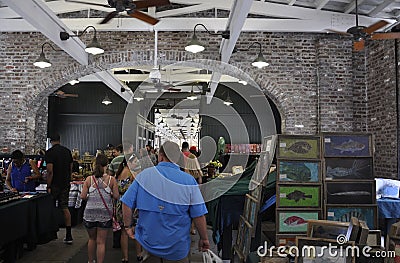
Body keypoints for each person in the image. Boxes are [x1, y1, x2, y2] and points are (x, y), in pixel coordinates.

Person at [121, 141, 210, 262]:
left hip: (149, 246)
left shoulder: (143, 176)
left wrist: (128, 226)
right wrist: (204, 238)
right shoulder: (188, 181)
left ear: (161, 156)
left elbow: (126, 202)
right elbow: (199, 215)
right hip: (177, 249)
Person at [80, 154, 119, 263]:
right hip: (105, 213)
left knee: (92, 239)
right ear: (107, 165)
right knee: (101, 242)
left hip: (89, 213)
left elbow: (82, 196)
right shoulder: (112, 180)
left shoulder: (89, 179)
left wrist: (91, 196)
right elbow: (116, 196)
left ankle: (90, 260)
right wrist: (109, 193)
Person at [45, 133, 74, 244]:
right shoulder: (67, 151)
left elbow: (50, 171)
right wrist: (68, 178)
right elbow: (71, 167)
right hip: (65, 183)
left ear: (51, 141)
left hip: (55, 185)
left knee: (50, 208)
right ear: (59, 140)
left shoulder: (50, 153)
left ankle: (51, 233)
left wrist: (48, 185)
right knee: (65, 207)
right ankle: (68, 235)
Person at [115, 157, 142, 263]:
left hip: (120, 205)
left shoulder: (119, 173)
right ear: (129, 162)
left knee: (124, 232)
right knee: (136, 230)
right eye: (135, 161)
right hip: (132, 205)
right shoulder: (133, 174)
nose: (137, 164)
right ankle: (139, 254)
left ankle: (125, 257)